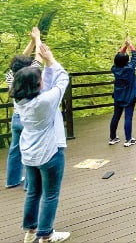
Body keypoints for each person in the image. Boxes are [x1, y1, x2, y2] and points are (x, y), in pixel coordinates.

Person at [10, 43, 70, 242]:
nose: (42, 80)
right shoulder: (44, 102)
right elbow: (62, 80)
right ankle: (46, 234)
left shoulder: (20, 99)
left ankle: (30, 230)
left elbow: (37, 79)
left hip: (29, 152)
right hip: (49, 152)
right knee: (50, 194)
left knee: (33, 192)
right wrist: (50, 59)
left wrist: (42, 60)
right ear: (36, 85)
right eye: (39, 79)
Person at [5, 27, 42, 189]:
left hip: (16, 118)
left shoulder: (10, 75)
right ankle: (29, 183)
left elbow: (19, 61)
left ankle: (12, 180)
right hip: (30, 118)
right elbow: (38, 58)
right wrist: (38, 38)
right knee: (31, 148)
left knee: (15, 149)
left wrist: (32, 42)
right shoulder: (31, 75)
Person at [109, 37, 136, 147]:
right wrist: (130, 45)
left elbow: (118, 58)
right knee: (128, 117)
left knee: (116, 116)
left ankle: (113, 138)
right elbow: (135, 57)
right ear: (126, 61)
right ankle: (128, 139)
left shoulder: (114, 69)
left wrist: (125, 47)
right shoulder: (130, 68)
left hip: (118, 96)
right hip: (129, 96)